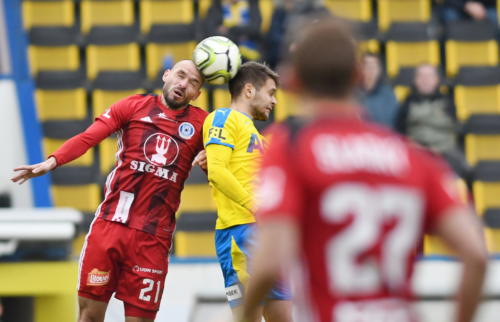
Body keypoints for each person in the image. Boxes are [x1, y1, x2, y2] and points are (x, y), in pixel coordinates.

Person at [240, 18, 488, 322]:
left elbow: (269, 261)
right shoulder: (412, 156)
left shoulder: (290, 148)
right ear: (358, 76)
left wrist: (240, 316)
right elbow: (475, 254)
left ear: (293, 81)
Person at [11, 60, 208, 322]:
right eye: (181, 75)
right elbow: (88, 137)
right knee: (89, 316)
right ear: (166, 75)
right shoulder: (133, 106)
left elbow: (221, 169)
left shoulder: (203, 124)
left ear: (197, 93)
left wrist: (211, 160)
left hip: (153, 238)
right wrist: (52, 161)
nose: (184, 84)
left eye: (193, 82)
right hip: (110, 227)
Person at [202, 62, 292, 321]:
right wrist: (255, 205)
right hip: (240, 232)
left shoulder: (257, 136)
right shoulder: (223, 118)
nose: (274, 101)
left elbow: (222, 172)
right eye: (271, 92)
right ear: (249, 90)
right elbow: (219, 172)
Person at [395, 63, 471, 182]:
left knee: (464, 171)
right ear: (415, 80)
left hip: (446, 154)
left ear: (436, 80)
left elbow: (455, 129)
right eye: (421, 76)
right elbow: (399, 134)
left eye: (429, 76)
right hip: (417, 153)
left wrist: (437, 149)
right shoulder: (406, 105)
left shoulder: (448, 102)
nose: (425, 80)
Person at [358, 52, 398, 129]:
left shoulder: (388, 95)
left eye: (373, 67)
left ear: (379, 70)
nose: (370, 70)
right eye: (367, 66)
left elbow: (393, 121)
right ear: (361, 69)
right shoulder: (352, 95)